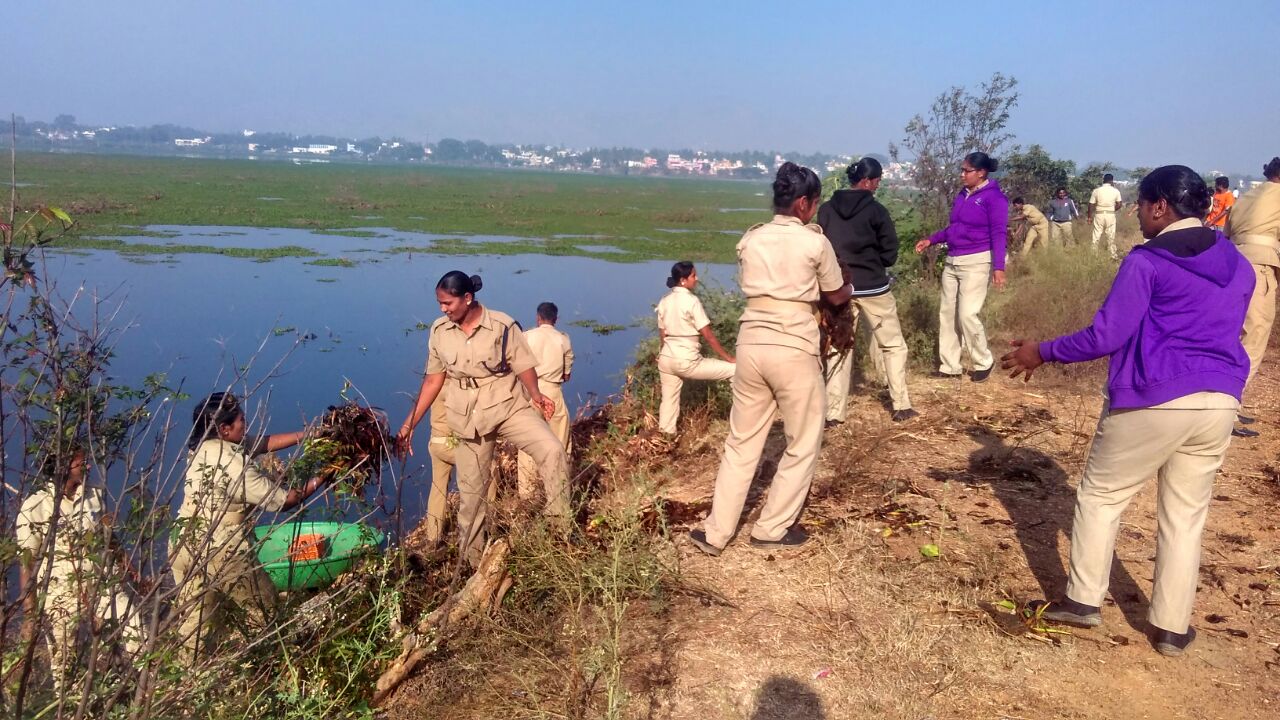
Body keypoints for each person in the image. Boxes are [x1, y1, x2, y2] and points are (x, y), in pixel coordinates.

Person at [1001, 165, 1253, 657]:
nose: (1136, 211)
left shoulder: (1147, 261)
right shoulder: (1237, 261)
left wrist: (1042, 351)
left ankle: (1082, 601)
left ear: (1161, 206)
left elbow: (1106, 336)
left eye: (1141, 203)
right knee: (1184, 517)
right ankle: (1171, 630)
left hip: (1154, 395)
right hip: (1220, 400)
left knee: (1100, 496)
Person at [689, 162, 852, 556]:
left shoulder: (752, 239)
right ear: (802, 204)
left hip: (751, 345)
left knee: (741, 443)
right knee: (803, 441)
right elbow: (833, 296)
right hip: (794, 345)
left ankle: (715, 533)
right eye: (813, 203)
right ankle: (772, 527)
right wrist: (850, 288)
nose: (814, 209)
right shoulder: (815, 242)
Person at [396, 272, 570, 566]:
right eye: (439, 303)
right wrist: (408, 425)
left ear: (467, 298)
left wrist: (536, 394)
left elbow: (523, 363)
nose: (443, 309)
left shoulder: (502, 325)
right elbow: (432, 381)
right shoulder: (440, 331)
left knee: (552, 450)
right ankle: (474, 564)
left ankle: (561, 531)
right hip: (467, 418)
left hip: (507, 406)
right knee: (471, 498)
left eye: (447, 303)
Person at [171, 392, 330, 659]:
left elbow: (262, 443)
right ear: (224, 429)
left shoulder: (202, 448)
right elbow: (286, 500)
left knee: (196, 628)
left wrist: (308, 435)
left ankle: (187, 680)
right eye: (242, 420)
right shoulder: (236, 466)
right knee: (267, 611)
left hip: (183, 543)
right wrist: (325, 475)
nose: (246, 424)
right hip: (221, 548)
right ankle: (277, 664)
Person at [17, 447, 146, 687]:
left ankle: (142, 691)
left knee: (135, 630)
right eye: (80, 464)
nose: (87, 467)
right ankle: (70, 707)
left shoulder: (94, 495)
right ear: (63, 468)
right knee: (65, 657)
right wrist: (29, 614)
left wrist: (130, 568)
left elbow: (109, 537)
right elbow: (27, 563)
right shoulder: (35, 507)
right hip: (61, 592)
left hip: (100, 580)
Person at [817, 157, 917, 424]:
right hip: (874, 288)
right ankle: (901, 405)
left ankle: (834, 414)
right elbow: (890, 254)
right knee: (893, 345)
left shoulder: (826, 210)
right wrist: (872, 264)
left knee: (839, 346)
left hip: (839, 289)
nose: (877, 186)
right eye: (877, 181)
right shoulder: (877, 211)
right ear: (869, 181)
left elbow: (820, 249)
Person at [913, 151, 1008, 382]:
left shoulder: (994, 198)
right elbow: (954, 227)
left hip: (976, 261)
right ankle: (950, 365)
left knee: (967, 314)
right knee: (947, 313)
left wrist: (998, 267)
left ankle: (983, 360)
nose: (962, 174)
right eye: (962, 170)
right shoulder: (962, 195)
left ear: (981, 172)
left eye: (967, 170)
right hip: (953, 260)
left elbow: (998, 233)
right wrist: (932, 239)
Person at [1225, 157, 1280, 438]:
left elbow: (1227, 233)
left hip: (1233, 265)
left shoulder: (1247, 195)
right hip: (1260, 267)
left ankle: (1228, 404)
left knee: (1232, 335)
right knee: (1253, 337)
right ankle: (1226, 409)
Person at [655, 262, 736, 435]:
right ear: (683, 280)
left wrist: (662, 353)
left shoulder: (665, 300)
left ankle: (664, 439)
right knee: (735, 370)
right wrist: (728, 357)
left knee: (668, 401)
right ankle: (743, 418)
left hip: (666, 358)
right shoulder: (691, 300)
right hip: (686, 360)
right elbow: (708, 335)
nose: (697, 279)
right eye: (693, 276)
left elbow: (662, 334)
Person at [517, 301, 575, 497]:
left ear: (538, 318)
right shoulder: (563, 339)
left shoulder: (527, 337)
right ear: (556, 319)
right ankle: (558, 490)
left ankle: (527, 492)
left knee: (527, 442)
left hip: (529, 391)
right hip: (553, 391)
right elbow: (567, 376)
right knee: (559, 442)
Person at [1089, 173, 1124, 258]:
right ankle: (1112, 255)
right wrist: (1112, 210)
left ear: (1103, 180)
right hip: (1110, 214)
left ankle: (1094, 254)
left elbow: (1091, 204)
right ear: (1112, 181)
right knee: (1110, 235)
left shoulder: (1096, 190)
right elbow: (1119, 204)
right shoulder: (1115, 191)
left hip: (1099, 214)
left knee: (1096, 234)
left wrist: (1089, 217)